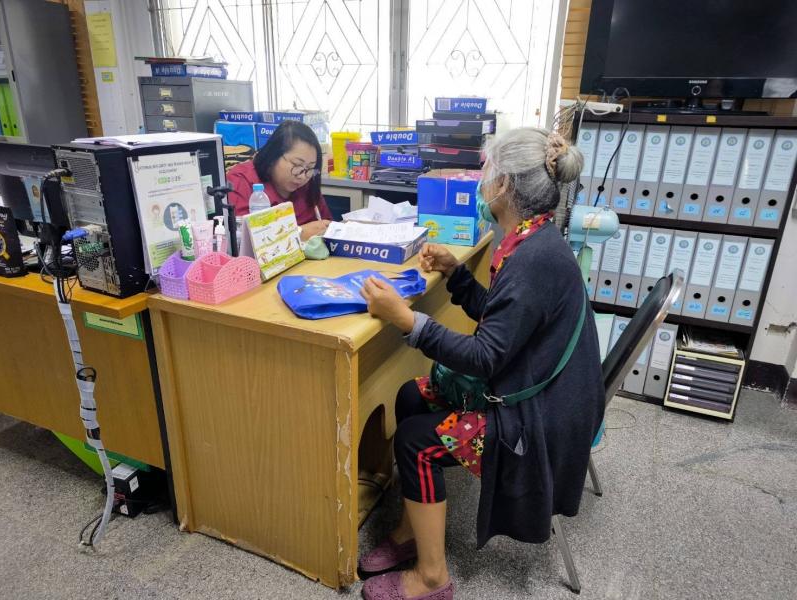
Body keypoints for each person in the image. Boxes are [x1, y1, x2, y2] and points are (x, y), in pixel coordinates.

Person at [358, 127, 605, 600]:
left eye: (487, 171)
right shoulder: (533, 239)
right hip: (537, 390)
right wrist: (456, 274)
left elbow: (486, 356)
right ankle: (411, 531)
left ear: (505, 184)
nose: (481, 180)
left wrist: (407, 320)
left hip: (540, 420)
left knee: (415, 442)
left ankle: (433, 578)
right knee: (411, 395)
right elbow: (504, 321)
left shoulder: (533, 259)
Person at [226, 120, 333, 241]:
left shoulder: (308, 185)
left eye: (310, 168)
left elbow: (328, 226)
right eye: (297, 165)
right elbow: (242, 239)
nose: (303, 176)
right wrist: (299, 233)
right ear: (274, 156)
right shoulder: (242, 180)